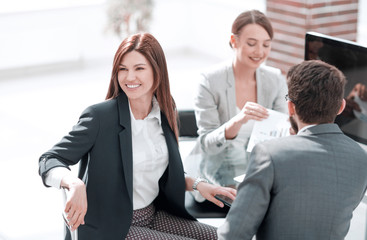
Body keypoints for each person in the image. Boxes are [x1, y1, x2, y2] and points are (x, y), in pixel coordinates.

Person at [38, 33, 236, 240]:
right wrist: (73, 182)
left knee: (227, 238)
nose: (129, 77)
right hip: (111, 227)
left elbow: (162, 171)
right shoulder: (100, 117)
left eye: (139, 68)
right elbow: (49, 159)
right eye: (122, 69)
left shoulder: (165, 111)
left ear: (157, 71)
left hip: (154, 214)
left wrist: (199, 185)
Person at [217, 60, 367, 240]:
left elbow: (233, 235)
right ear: (341, 107)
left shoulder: (270, 153)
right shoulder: (361, 158)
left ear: (290, 107)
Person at [193, 10, 287, 187]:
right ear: (234, 41)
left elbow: (284, 133)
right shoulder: (210, 81)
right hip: (219, 174)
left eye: (266, 45)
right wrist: (237, 122)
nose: (259, 52)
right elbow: (207, 144)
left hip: (261, 171)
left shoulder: (275, 79)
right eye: (252, 43)